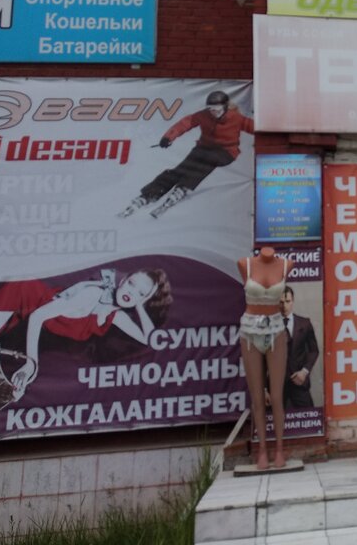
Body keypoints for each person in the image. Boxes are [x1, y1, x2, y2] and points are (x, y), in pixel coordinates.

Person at [0, 267, 173, 400]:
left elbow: (150, 339)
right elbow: (38, 317)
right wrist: (31, 365)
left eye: (140, 293)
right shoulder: (92, 295)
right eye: (131, 283)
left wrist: (140, 303)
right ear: (122, 279)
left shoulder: (116, 315)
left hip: (23, 311)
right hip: (22, 295)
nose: (131, 292)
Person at [119, 90, 254, 219]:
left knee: (207, 161)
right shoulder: (204, 115)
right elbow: (185, 123)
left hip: (226, 152)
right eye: (211, 109)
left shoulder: (236, 118)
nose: (214, 112)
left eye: (217, 109)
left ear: (225, 107)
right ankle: (149, 194)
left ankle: (184, 187)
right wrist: (168, 137)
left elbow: (255, 127)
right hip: (203, 148)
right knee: (181, 169)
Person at [237, 247, 289, 470]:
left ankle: (279, 449)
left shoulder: (286, 265)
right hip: (250, 331)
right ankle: (262, 450)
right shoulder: (245, 264)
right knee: (257, 397)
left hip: (275, 330)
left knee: (276, 396)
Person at [280, 286, 320, 408]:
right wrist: (264, 389)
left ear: (293, 301)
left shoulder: (305, 323)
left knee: (309, 416)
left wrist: (304, 371)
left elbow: (314, 351)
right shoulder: (268, 326)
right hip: (276, 385)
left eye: (288, 301)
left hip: (299, 382)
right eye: (281, 302)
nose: (284, 306)